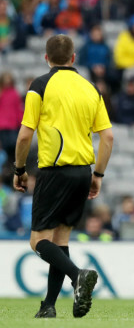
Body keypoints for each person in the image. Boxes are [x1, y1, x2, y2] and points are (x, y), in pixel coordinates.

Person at [13, 34, 114, 318]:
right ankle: (48, 306)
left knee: (38, 241)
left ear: (46, 59)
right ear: (73, 58)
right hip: (83, 172)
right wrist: (99, 175)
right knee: (60, 241)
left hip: (54, 171)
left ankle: (78, 274)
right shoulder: (91, 88)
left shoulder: (40, 85)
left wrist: (19, 170)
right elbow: (107, 137)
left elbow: (24, 136)